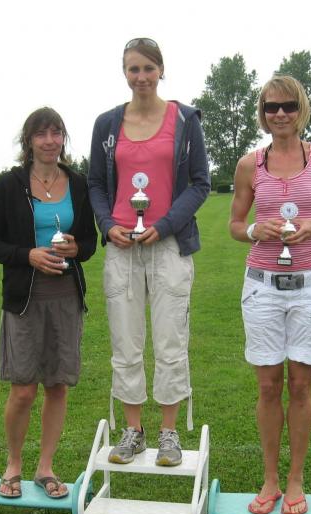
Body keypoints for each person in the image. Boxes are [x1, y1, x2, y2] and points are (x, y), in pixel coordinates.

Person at [229, 75, 311, 514]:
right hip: (262, 286)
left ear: (301, 109)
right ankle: (270, 479)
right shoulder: (249, 165)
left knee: (300, 384)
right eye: (271, 107)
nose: (279, 114)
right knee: (267, 386)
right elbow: (235, 225)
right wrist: (255, 230)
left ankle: (295, 478)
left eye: (288, 106)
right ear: (262, 113)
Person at [88, 37, 210, 466]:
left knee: (171, 340)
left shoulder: (185, 120)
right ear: (125, 73)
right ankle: (134, 431)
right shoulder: (107, 124)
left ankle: (169, 433)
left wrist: (165, 224)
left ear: (161, 70)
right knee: (126, 343)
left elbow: (200, 183)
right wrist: (108, 225)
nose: (141, 77)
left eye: (148, 68)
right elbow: (96, 185)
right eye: (133, 69)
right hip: (122, 247)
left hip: (169, 245)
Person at [0, 107, 97, 499]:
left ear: (64, 138)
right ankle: (13, 465)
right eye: (41, 134)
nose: (50, 141)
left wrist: (77, 248)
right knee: (24, 389)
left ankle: (45, 467)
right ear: (28, 140)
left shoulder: (77, 183)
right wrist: (27, 255)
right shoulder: (9, 184)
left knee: (57, 386)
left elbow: (90, 242)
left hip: (66, 298)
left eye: (56, 133)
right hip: (24, 299)